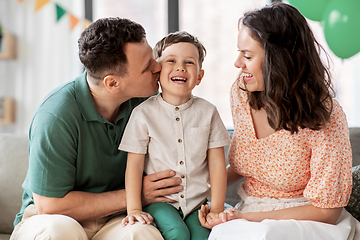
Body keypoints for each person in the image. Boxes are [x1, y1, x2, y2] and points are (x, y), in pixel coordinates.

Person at [10, 17, 184, 240]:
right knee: (61, 231)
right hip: (51, 219)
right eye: (146, 66)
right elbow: (49, 206)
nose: (157, 67)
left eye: (152, 57)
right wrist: (136, 194)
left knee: (141, 234)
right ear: (112, 83)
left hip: (115, 218)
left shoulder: (145, 103)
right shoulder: (55, 115)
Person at [198, 2, 360, 240]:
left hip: (307, 220)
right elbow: (249, 164)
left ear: (278, 59)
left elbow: (327, 212)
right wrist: (203, 191)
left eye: (247, 55)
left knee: (265, 234)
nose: (237, 63)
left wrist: (244, 219)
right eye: (239, 52)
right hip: (251, 213)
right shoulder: (242, 93)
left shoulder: (326, 115)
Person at [119, 31, 230, 240]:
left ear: (199, 76)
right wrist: (133, 209)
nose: (180, 67)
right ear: (157, 71)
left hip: (198, 203)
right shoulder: (142, 114)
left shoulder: (209, 112)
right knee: (177, 233)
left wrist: (216, 207)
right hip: (161, 202)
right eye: (171, 61)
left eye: (189, 62)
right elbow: (134, 165)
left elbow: (216, 165)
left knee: (202, 236)